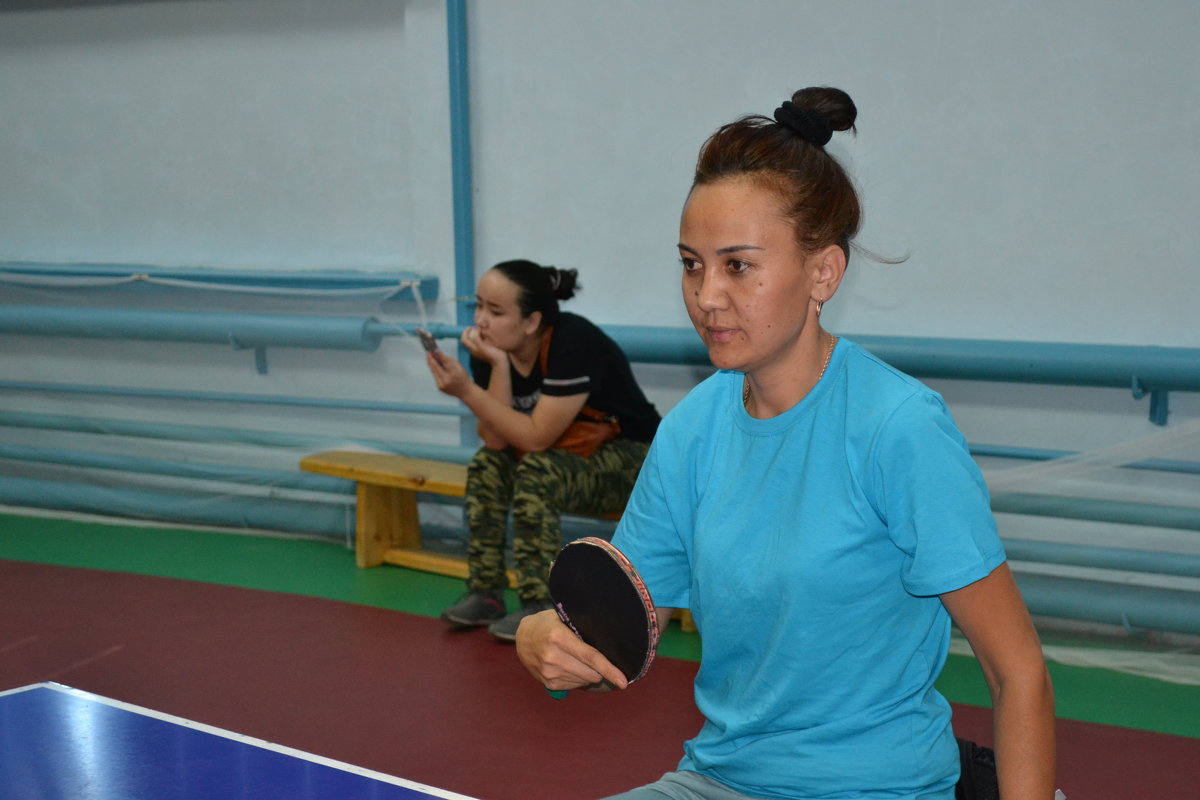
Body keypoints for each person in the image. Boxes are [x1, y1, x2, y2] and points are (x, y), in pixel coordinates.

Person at [516, 88, 1057, 799]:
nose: (708, 295)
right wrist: (541, 640)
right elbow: (613, 625)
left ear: (823, 272)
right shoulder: (692, 431)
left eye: (738, 265)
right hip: (719, 782)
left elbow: (1016, 674)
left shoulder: (899, 428)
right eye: (690, 264)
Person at [425, 259, 661, 641]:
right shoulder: (491, 349)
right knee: (488, 464)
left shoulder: (573, 341)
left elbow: (536, 438)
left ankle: (542, 603)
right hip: (568, 457)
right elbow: (497, 441)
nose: (481, 320)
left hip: (636, 460)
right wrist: (498, 367)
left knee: (536, 469)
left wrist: (467, 390)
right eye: (478, 306)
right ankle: (485, 592)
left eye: (496, 311)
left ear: (532, 322)